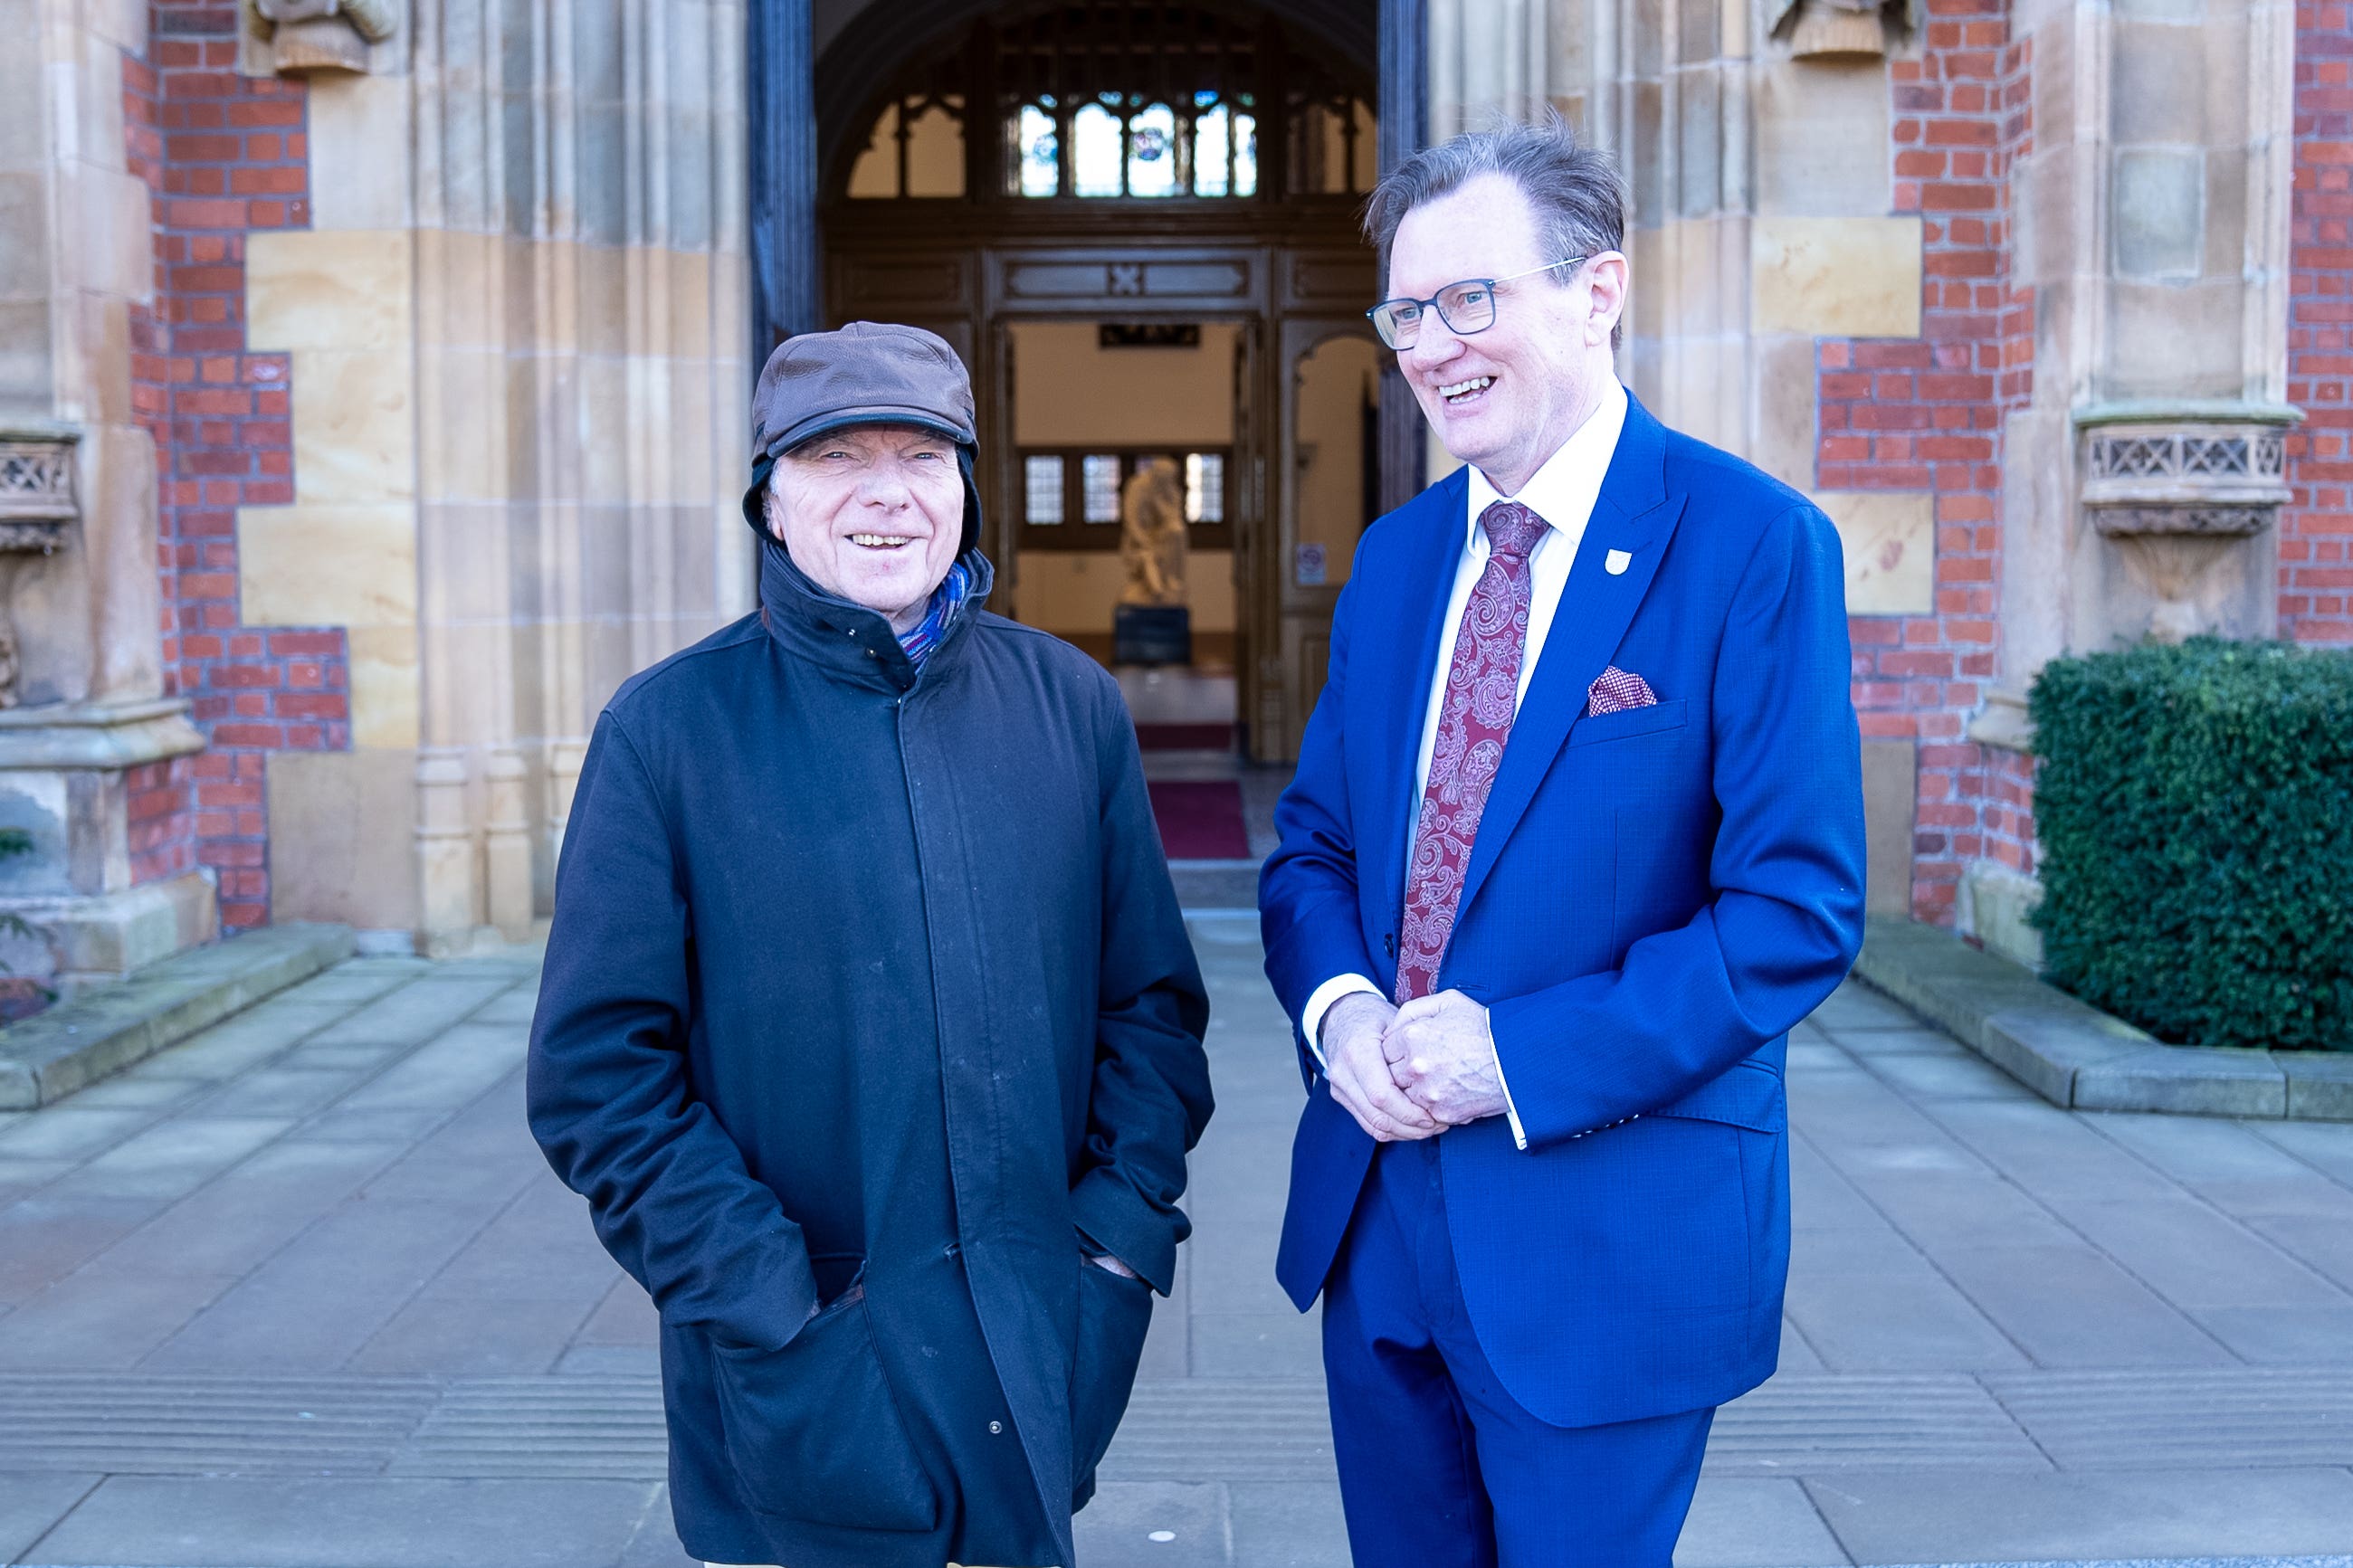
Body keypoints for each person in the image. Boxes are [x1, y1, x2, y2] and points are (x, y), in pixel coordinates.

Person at [1258, 121, 1867, 1567]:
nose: (1431, 345)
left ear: (1600, 291)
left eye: (1472, 298)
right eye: (1408, 311)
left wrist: (1517, 1055)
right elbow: (1313, 854)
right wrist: (1341, 1013)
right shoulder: (1399, 559)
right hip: (1379, 1223)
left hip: (1609, 1242)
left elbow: (1792, 911)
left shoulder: (1751, 543)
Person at [528, 321, 1214, 1568]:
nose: (888, 492)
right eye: (839, 455)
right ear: (771, 500)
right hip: (800, 1386)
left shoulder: (1069, 706)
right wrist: (770, 1302)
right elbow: (598, 1080)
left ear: (963, 486)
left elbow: (1152, 1014)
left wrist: (1114, 1250)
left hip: (1035, 1349)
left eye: (924, 454)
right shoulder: (667, 730)